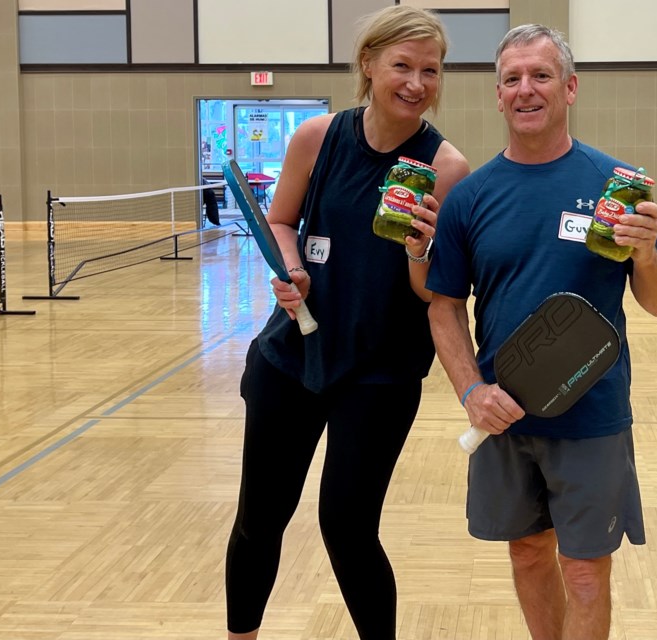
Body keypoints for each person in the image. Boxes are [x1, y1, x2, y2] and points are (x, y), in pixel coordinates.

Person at [224, 6, 469, 640]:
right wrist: (289, 269)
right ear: (368, 65)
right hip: (289, 359)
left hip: (380, 372)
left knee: (349, 526)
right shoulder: (317, 137)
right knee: (260, 517)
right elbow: (281, 220)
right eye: (402, 66)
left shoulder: (446, 168)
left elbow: (433, 290)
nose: (416, 83)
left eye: (430, 70)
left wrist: (422, 248)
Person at [426, 24, 657, 640]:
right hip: (506, 413)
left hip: (592, 413)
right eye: (511, 78)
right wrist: (470, 392)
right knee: (528, 554)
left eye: (540, 75)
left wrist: (646, 255)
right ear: (497, 95)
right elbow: (443, 305)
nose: (525, 89)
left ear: (570, 87)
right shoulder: (471, 197)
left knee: (587, 571)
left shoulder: (615, 186)